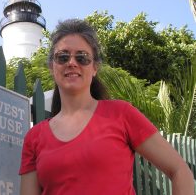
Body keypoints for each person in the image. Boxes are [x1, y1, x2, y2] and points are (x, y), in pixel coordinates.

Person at [19, 19, 194, 195]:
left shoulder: (121, 114)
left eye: (82, 57)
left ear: (95, 67)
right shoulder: (34, 137)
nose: (72, 62)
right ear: (52, 66)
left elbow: (180, 170)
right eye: (63, 57)